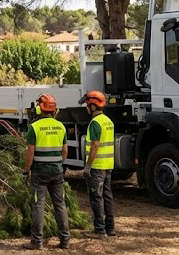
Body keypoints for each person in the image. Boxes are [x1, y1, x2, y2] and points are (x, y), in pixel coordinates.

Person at [23, 93, 70, 250]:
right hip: (57, 171)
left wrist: (25, 171)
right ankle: (65, 241)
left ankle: (36, 242)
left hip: (39, 173)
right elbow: (65, 152)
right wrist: (57, 164)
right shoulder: (61, 126)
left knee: (38, 205)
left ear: (39, 109)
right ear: (54, 109)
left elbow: (30, 153)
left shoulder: (34, 128)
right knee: (60, 205)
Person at [81, 90, 115, 239]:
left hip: (97, 167)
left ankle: (100, 230)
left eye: (87, 105)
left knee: (96, 197)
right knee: (107, 196)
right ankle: (110, 228)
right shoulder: (108, 121)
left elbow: (95, 146)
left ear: (93, 106)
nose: (86, 108)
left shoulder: (95, 123)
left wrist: (88, 166)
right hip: (108, 165)